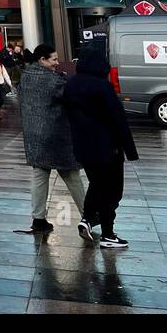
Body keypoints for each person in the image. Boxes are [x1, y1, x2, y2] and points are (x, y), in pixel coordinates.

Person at [64, 47, 139, 248]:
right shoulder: (102, 86)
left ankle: (87, 218)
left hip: (83, 146)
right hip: (108, 147)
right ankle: (107, 233)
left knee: (97, 184)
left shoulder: (71, 85)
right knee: (112, 190)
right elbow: (118, 119)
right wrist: (130, 150)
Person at [18, 44, 87, 234]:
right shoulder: (52, 80)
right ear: (42, 59)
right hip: (55, 135)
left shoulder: (26, 76)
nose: (57, 63)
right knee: (71, 174)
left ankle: (38, 219)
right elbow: (72, 97)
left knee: (39, 175)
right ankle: (89, 214)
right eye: (54, 59)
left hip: (33, 135)